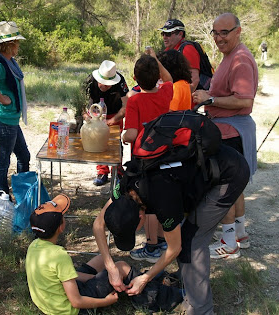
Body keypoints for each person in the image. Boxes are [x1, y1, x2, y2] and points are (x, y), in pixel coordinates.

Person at [93, 144, 250, 314]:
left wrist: (145, 278)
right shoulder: (124, 187)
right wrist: (110, 267)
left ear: (140, 217)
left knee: (192, 242)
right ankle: (188, 283)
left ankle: (201, 309)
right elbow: (98, 224)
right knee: (186, 233)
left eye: (133, 231)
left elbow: (175, 248)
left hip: (229, 173)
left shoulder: (162, 201)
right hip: (201, 168)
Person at [26, 194, 183, 314]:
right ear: (61, 227)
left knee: (101, 259)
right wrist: (106, 301)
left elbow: (62, 276)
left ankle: (133, 280)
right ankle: (168, 297)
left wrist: (95, 279)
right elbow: (76, 301)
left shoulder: (34, 246)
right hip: (72, 310)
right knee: (121, 267)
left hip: (54, 303)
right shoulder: (59, 255)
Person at [193, 13, 258, 259]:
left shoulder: (240, 60)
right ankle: (240, 233)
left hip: (231, 131)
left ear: (238, 31)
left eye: (225, 32)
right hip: (230, 128)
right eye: (215, 32)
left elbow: (244, 99)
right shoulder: (230, 56)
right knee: (237, 183)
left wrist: (209, 99)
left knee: (226, 186)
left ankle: (229, 243)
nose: (219, 38)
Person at [121, 49, 173, 262]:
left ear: (134, 78)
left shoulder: (135, 101)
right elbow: (169, 78)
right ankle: (161, 240)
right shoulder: (165, 93)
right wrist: (157, 61)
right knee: (160, 198)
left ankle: (152, 246)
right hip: (165, 154)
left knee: (148, 203)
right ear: (158, 77)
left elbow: (132, 134)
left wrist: (124, 134)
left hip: (144, 159)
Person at [0, 21, 30, 195]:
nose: (18, 46)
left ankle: (23, 190)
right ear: (10, 45)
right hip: (2, 121)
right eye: (17, 42)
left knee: (24, 156)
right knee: (3, 161)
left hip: (11, 121)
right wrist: (3, 99)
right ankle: (2, 195)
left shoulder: (9, 61)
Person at [84, 60, 129, 186]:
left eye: (109, 84)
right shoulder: (89, 81)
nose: (105, 87)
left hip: (115, 114)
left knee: (115, 143)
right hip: (95, 114)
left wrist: (113, 120)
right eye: (103, 84)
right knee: (98, 142)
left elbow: (126, 105)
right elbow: (81, 104)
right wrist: (87, 117)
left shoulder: (120, 81)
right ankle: (102, 171)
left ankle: (118, 171)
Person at [158, 19, 200, 92]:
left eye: (168, 34)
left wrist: (180, 96)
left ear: (180, 34)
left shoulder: (188, 49)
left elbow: (194, 80)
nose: (164, 37)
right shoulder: (168, 50)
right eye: (163, 33)